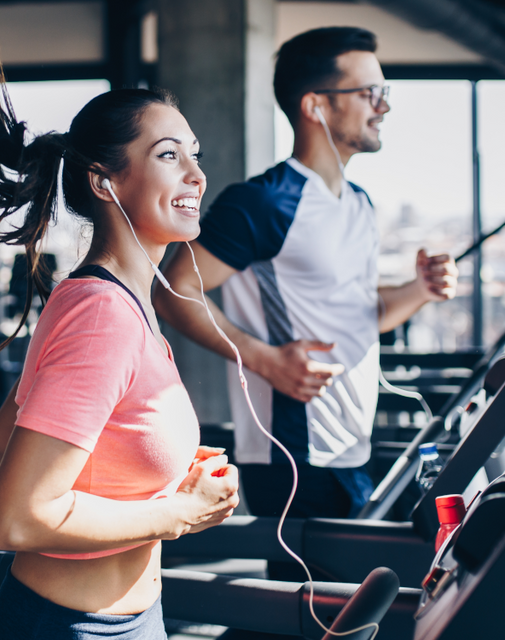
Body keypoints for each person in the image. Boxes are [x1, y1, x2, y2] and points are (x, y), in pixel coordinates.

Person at [0, 50, 240, 639]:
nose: (196, 174)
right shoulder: (102, 314)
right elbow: (13, 519)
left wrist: (161, 470)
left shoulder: (112, 301)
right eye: (169, 155)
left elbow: (5, 439)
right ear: (104, 182)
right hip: (70, 627)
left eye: (196, 155)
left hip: (128, 620)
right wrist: (180, 512)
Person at [153, 27, 458, 573]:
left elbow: (362, 314)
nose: (384, 106)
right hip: (295, 449)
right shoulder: (264, 203)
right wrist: (265, 359)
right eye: (369, 93)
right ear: (316, 105)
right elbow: (174, 289)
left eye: (384, 92)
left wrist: (421, 290)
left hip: (353, 444)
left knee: (352, 604)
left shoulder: (359, 204)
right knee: (312, 607)